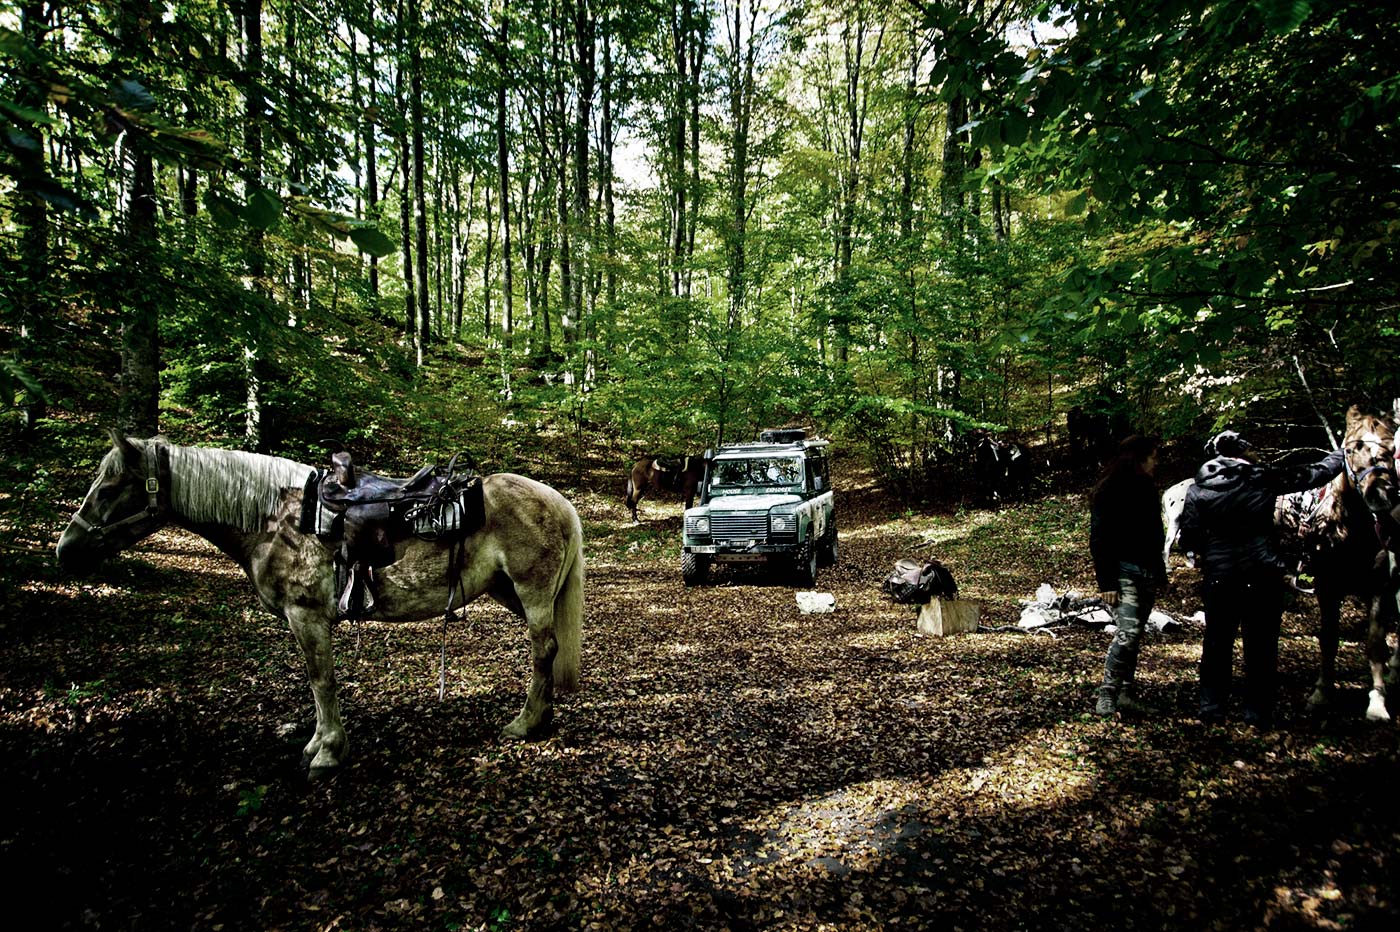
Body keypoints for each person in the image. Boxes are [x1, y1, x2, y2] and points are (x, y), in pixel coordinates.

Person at [1178, 430, 1345, 728]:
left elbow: (1189, 536)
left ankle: (1211, 708)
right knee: (1262, 646)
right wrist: (1343, 454)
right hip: (1261, 573)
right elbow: (1311, 475)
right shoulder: (1261, 478)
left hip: (1220, 576)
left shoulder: (1197, 488)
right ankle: (1257, 713)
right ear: (1242, 451)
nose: (1256, 451)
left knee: (1217, 643)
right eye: (1251, 447)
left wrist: (1210, 555)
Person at [1089, 435, 1167, 716]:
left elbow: (1155, 535)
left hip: (1146, 572)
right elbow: (1099, 538)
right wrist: (1106, 582)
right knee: (1128, 632)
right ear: (1139, 458)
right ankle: (1107, 694)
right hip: (1122, 573)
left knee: (1134, 636)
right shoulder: (1109, 489)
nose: (1156, 462)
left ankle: (1125, 692)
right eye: (1152, 456)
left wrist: (1159, 573)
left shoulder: (1148, 489)